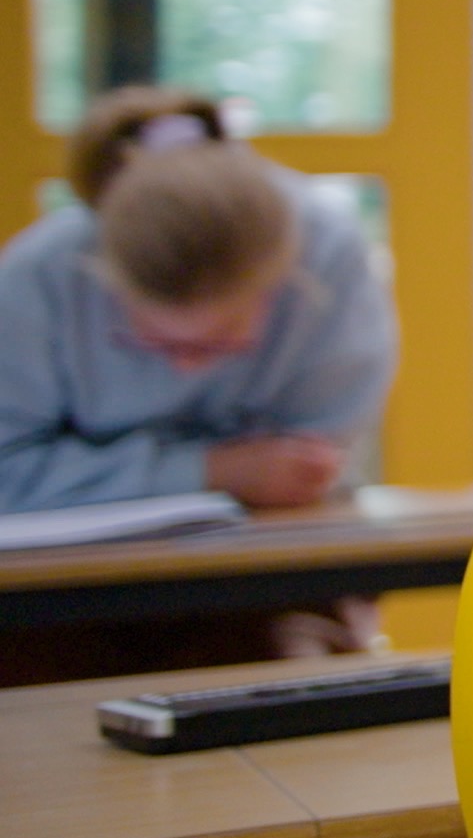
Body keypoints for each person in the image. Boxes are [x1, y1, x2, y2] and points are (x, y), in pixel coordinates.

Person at [0, 87, 396, 517]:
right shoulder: (39, 272)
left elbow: (316, 466)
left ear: (283, 285)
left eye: (220, 340)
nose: (187, 368)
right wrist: (210, 471)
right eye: (157, 342)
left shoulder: (326, 255)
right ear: (107, 280)